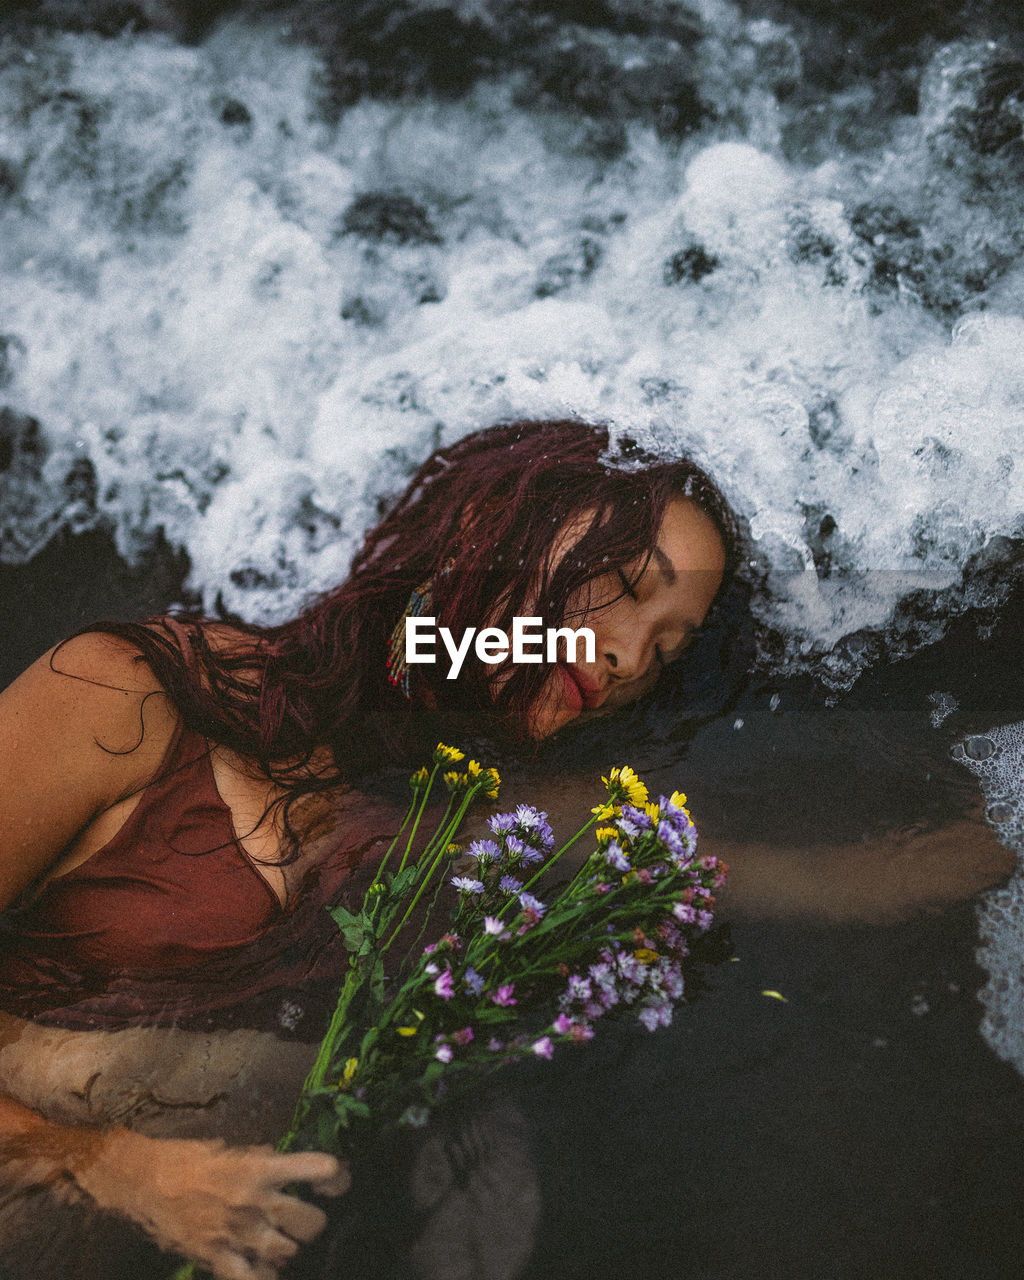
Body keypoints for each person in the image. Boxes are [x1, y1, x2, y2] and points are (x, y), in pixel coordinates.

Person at [0, 419, 738, 1280]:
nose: (626, 656)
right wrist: (110, 1168)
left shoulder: (478, 844)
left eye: (668, 647)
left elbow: (795, 876)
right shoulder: (132, 694)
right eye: (619, 583)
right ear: (489, 529)